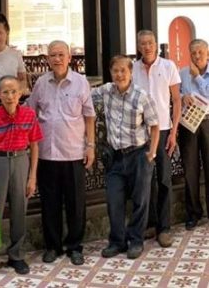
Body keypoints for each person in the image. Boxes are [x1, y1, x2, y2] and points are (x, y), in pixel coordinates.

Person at [27, 40, 95, 266]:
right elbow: (30, 111)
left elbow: (89, 116)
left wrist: (91, 145)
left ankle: (74, 246)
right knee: (50, 203)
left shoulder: (80, 82)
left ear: (69, 58)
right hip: (47, 153)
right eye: (52, 55)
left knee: (76, 204)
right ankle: (52, 246)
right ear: (47, 59)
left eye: (61, 55)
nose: (57, 59)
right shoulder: (41, 84)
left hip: (74, 152)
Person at [92, 55, 159, 259]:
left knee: (140, 200)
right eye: (115, 71)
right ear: (111, 73)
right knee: (114, 200)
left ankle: (136, 241)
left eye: (123, 70)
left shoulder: (141, 95)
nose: (119, 74)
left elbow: (154, 126)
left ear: (131, 72)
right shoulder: (105, 91)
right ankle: (117, 241)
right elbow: (83, 97)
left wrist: (152, 153)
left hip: (139, 154)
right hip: (115, 156)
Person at [0, 75, 42, 278]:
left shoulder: (29, 115)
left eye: (14, 91)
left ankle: (16, 255)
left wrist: (32, 177)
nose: (10, 96)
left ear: (21, 93)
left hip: (21, 160)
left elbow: (34, 146)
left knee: (19, 209)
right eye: (5, 92)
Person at [132, 30, 181, 248]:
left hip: (162, 130)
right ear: (139, 46)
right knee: (143, 180)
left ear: (156, 44)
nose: (147, 46)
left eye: (150, 42)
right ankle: (150, 224)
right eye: (143, 43)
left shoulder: (168, 66)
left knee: (163, 179)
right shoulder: (132, 68)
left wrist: (173, 132)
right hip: (140, 131)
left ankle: (164, 228)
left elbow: (177, 101)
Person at [179, 38, 209, 230]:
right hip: (188, 124)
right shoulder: (182, 73)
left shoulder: (194, 73)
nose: (196, 56)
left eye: (200, 52)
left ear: (207, 53)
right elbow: (176, 94)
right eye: (193, 53)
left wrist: (197, 77)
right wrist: (183, 97)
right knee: (190, 169)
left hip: (207, 122)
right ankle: (193, 213)